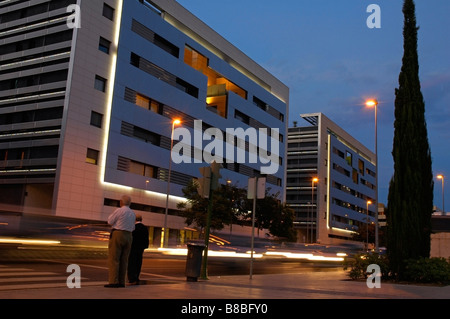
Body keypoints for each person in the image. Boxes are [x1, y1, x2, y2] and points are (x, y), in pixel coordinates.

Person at [104, 195, 136, 288]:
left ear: (121, 202)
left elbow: (110, 221)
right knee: (124, 260)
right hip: (129, 236)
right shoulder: (132, 213)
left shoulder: (119, 210)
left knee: (114, 259)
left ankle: (113, 281)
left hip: (118, 234)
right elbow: (133, 227)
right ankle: (122, 282)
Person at [127, 214, 149, 285]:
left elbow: (130, 237)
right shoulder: (144, 228)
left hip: (133, 247)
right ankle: (137, 276)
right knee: (138, 262)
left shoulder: (133, 227)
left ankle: (131, 278)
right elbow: (146, 239)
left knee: (131, 262)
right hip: (141, 248)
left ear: (135, 219)